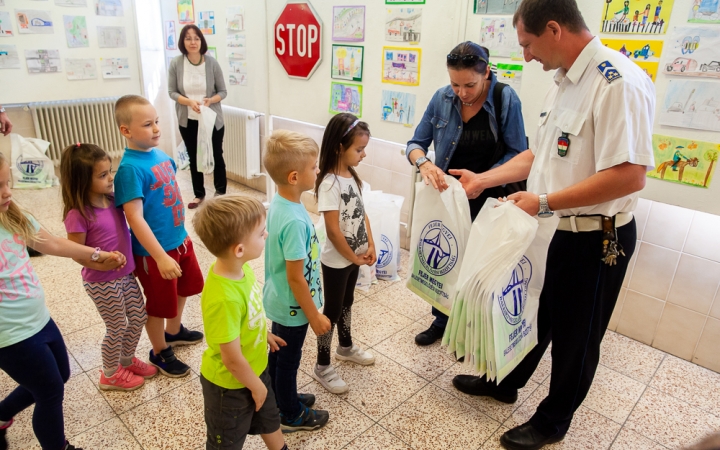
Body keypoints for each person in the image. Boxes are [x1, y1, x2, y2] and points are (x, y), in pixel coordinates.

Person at [450, 1, 655, 448]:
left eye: (527, 44)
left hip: (597, 237)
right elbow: (538, 156)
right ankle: (504, 382)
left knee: (575, 337)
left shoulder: (616, 83)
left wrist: (543, 201)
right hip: (553, 228)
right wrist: (483, 180)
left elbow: (629, 174)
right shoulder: (563, 83)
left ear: (555, 30)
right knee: (533, 312)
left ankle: (552, 421)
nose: (525, 57)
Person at [405, 41, 527, 347]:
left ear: (486, 72)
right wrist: (424, 163)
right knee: (445, 259)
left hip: (490, 198)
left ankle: (472, 330)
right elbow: (415, 143)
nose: (462, 93)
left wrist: (483, 181)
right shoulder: (442, 98)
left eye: (469, 84)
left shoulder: (505, 99)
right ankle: (441, 320)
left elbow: (518, 154)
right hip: (450, 196)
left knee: (478, 269)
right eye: (455, 84)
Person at [0, 152, 124, 450]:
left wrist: (96, 255)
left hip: (39, 319)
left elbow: (54, 243)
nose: (7, 192)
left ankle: (1, 413)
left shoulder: (11, 214)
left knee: (62, 374)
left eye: (7, 182)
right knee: (50, 391)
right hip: (9, 334)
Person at [113, 95, 205, 378]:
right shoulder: (129, 169)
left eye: (156, 122)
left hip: (179, 241)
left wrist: (181, 238)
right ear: (126, 130)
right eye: (147, 124)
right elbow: (135, 218)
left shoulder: (161, 156)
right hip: (155, 254)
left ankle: (174, 330)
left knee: (184, 288)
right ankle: (159, 350)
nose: (155, 128)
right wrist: (160, 257)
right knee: (157, 305)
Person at [193, 195, 289, 450]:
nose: (266, 235)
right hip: (228, 388)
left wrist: (262, 333)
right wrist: (256, 387)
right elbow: (231, 359)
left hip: (256, 369)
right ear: (239, 249)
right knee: (227, 441)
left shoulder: (241, 269)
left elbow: (247, 315)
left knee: (270, 420)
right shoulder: (224, 299)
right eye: (260, 233)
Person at [60, 143, 157, 392]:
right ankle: (110, 373)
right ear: (82, 181)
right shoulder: (77, 213)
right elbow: (77, 254)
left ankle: (126, 359)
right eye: (102, 175)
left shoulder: (113, 199)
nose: (110, 178)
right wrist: (103, 260)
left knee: (138, 318)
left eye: (109, 171)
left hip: (125, 275)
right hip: (101, 281)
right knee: (116, 326)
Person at [263, 130, 331, 432]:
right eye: (314, 167)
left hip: (280, 300)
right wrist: (314, 314)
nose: (317, 170)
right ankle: (289, 413)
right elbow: (295, 277)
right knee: (289, 361)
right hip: (294, 307)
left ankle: (278, 395)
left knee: (278, 354)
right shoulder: (292, 219)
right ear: (294, 177)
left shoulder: (281, 204)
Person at [312, 114, 377, 394]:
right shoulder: (329, 184)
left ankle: (346, 347)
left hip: (354, 258)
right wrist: (353, 257)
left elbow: (362, 215)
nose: (363, 154)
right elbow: (333, 231)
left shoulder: (352, 177)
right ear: (340, 147)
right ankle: (322, 365)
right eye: (359, 149)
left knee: (348, 303)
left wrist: (370, 244)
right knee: (332, 311)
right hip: (338, 261)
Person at [168, 24, 228, 210]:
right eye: (188, 38)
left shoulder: (212, 63)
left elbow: (223, 92)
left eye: (196, 38)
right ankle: (199, 193)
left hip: (211, 119)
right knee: (194, 156)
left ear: (201, 41)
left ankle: (221, 192)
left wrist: (210, 100)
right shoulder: (176, 63)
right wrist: (188, 102)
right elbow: (172, 92)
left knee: (217, 154)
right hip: (188, 119)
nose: (193, 42)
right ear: (182, 42)